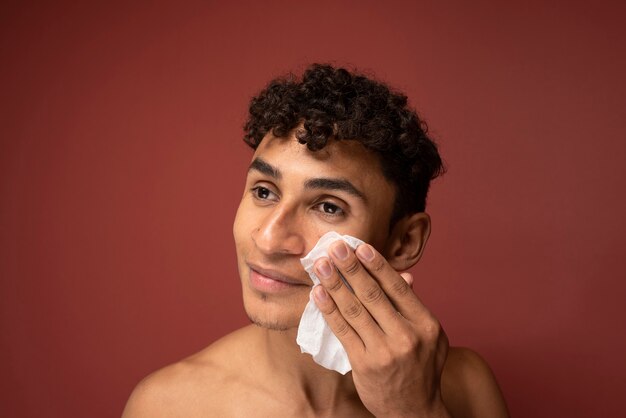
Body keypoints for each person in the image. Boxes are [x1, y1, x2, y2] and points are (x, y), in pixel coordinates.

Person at [122, 64, 509, 417]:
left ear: (403, 242)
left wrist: (415, 411)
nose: (270, 239)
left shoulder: (466, 387)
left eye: (327, 206)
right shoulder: (167, 406)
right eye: (264, 192)